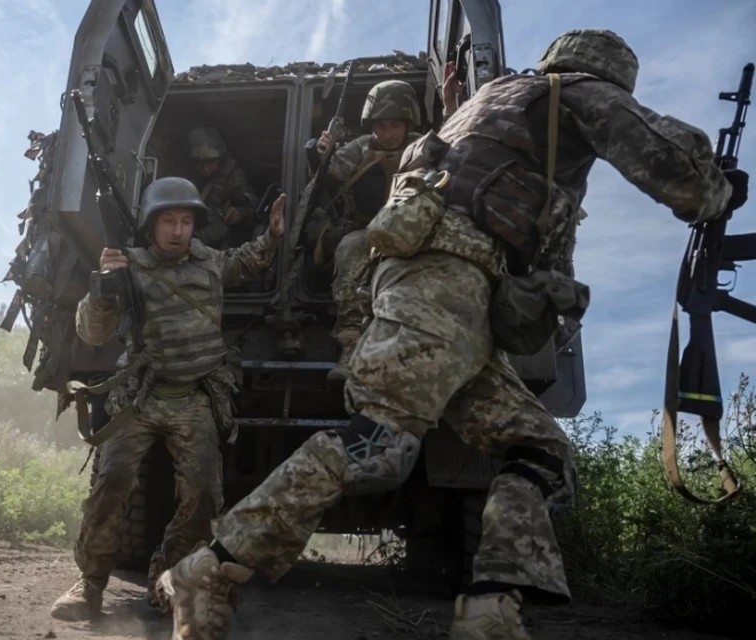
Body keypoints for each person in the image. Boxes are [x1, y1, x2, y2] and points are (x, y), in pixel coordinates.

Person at [154, 29, 749, 640]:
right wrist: (720, 189)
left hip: (460, 296)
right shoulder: (575, 92)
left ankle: (492, 608)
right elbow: (676, 171)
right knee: (379, 443)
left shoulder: (487, 103)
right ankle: (209, 569)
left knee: (541, 455)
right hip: (443, 280)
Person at [50, 176, 285, 621]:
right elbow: (93, 333)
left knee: (203, 496)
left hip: (195, 395)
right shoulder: (127, 264)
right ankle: (90, 584)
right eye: (169, 222)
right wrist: (104, 287)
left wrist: (272, 235)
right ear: (151, 225)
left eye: (186, 221)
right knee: (113, 482)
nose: (178, 231)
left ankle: (169, 579)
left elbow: (247, 262)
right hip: (142, 394)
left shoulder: (210, 262)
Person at [299, 79, 424, 381]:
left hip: (415, 233)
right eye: (380, 126)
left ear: (408, 122)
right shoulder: (362, 147)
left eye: (395, 125)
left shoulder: (424, 146)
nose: (387, 133)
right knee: (349, 249)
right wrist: (321, 153)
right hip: (368, 232)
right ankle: (351, 345)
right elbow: (332, 174)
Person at [187, 127, 260, 250]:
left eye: (211, 162)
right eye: (200, 163)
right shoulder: (187, 175)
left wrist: (241, 213)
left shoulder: (232, 176)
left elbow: (254, 208)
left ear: (220, 159)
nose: (205, 168)